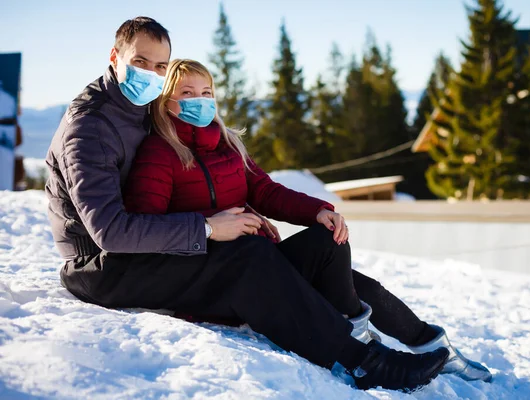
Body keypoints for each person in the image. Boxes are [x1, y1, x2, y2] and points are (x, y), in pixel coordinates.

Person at [42, 17, 480, 393]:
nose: (151, 75)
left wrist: (309, 211)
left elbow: (259, 187)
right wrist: (211, 228)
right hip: (102, 266)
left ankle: (426, 342)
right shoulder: (92, 127)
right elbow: (113, 232)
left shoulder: (145, 110)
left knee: (316, 252)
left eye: (159, 66)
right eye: (140, 62)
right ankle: (362, 361)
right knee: (247, 257)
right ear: (114, 57)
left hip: (151, 246)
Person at [122, 58, 492, 385]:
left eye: (206, 91)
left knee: (329, 242)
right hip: (224, 276)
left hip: (262, 261)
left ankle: (437, 349)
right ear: (165, 100)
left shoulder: (228, 144)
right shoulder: (159, 153)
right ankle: (364, 349)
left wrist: (317, 210)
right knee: (349, 287)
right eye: (186, 92)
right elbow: (150, 224)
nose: (199, 101)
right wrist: (212, 223)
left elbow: (265, 191)